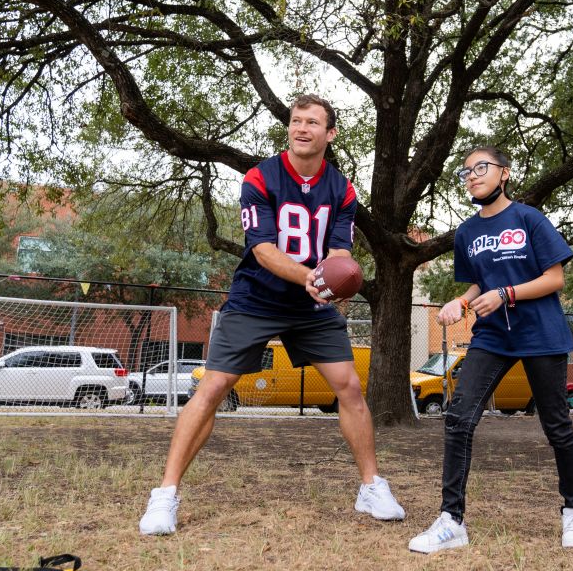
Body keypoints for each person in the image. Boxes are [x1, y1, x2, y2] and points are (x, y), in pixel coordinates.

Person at [138, 94, 405, 535]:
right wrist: (310, 278)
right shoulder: (261, 177)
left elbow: (340, 251)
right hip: (257, 298)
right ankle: (165, 494)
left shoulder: (343, 188)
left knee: (349, 387)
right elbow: (262, 249)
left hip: (311, 305)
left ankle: (371, 486)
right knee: (214, 386)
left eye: (313, 122)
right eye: (296, 121)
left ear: (329, 133)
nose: (302, 128)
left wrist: (333, 279)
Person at [407, 146, 573, 553]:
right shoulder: (468, 232)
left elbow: (554, 278)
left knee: (556, 425)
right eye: (466, 171)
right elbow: (478, 283)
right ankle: (451, 521)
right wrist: (462, 301)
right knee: (457, 416)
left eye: (482, 168)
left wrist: (506, 293)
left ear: (504, 173)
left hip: (541, 333)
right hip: (493, 336)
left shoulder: (529, 218)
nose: (472, 175)